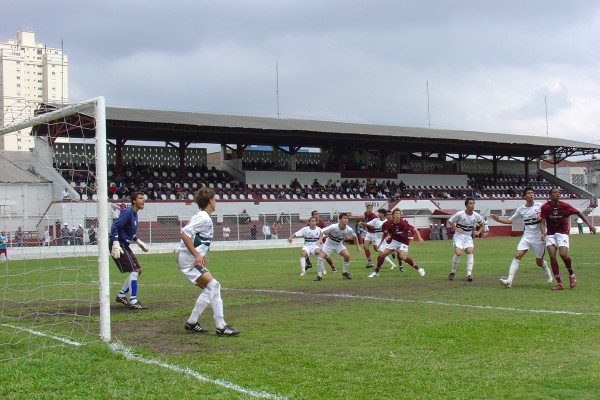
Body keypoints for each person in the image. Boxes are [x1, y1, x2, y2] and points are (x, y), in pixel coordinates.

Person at [176, 187, 240, 336]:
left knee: (209, 288)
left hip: (188, 259)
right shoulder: (204, 217)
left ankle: (192, 322)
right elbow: (184, 234)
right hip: (187, 260)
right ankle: (221, 326)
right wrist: (197, 255)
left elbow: (195, 237)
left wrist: (200, 254)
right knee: (214, 286)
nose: (216, 202)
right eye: (215, 199)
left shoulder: (203, 217)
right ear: (210, 200)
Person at [490, 187, 553, 288]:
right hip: (527, 237)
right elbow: (510, 221)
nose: (531, 194)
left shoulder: (540, 206)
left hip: (538, 237)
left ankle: (546, 269)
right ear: (524, 197)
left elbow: (548, 214)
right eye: (529, 193)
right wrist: (498, 220)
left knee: (539, 262)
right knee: (517, 256)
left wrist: (542, 219)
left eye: (532, 193)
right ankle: (509, 281)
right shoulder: (520, 209)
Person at [540, 188, 596, 290]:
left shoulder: (565, 206)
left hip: (562, 233)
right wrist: (543, 232)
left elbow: (578, 213)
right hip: (551, 234)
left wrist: (590, 225)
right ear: (550, 196)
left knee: (563, 254)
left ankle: (571, 274)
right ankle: (559, 283)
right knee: (552, 256)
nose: (557, 194)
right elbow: (542, 222)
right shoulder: (545, 207)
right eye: (555, 192)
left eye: (559, 193)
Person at [111, 192, 150, 309]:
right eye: (140, 198)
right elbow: (115, 226)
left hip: (125, 244)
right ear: (134, 201)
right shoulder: (127, 212)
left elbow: (130, 233)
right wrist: (115, 242)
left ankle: (121, 295)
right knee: (133, 271)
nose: (143, 200)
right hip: (119, 244)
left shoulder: (135, 214)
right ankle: (133, 301)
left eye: (144, 198)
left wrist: (138, 241)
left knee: (138, 270)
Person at [369, 208, 425, 277]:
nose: (398, 215)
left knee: (402, 257)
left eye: (399, 214)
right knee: (383, 254)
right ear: (393, 215)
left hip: (403, 242)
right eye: (396, 214)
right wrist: (387, 237)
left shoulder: (403, 223)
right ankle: (376, 272)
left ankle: (419, 269)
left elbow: (415, 229)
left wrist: (420, 238)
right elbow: (387, 233)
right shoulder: (389, 224)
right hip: (394, 241)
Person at [313, 213, 364, 281]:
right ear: (340, 220)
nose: (345, 220)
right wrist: (320, 239)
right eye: (344, 218)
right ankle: (319, 276)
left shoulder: (349, 229)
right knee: (320, 258)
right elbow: (321, 231)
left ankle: (345, 273)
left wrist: (358, 247)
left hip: (338, 245)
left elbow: (355, 236)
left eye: (346, 218)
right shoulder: (333, 227)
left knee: (347, 256)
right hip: (329, 244)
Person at [448, 197, 484, 282]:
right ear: (466, 205)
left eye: (473, 203)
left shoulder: (476, 215)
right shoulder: (460, 214)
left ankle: (469, 274)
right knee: (458, 253)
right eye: (470, 203)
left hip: (468, 237)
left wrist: (478, 232)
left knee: (470, 252)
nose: (472, 205)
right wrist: (456, 228)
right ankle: (453, 271)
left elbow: (482, 225)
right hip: (459, 237)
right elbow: (450, 221)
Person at [361, 203, 379, 267]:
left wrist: (364, 224)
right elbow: (367, 222)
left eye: (371, 208)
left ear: (372, 209)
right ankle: (370, 262)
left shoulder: (374, 216)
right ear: (366, 209)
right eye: (368, 208)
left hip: (374, 233)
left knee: (376, 249)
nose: (369, 209)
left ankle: (391, 252)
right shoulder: (365, 213)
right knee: (365, 247)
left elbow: (373, 227)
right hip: (369, 233)